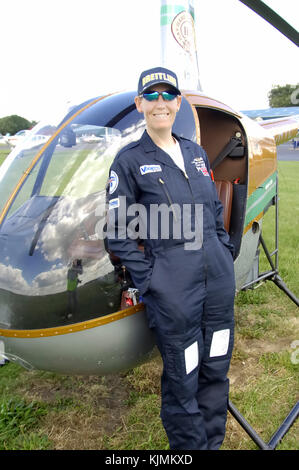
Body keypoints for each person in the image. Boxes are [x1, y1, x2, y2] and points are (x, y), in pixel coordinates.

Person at [106, 66, 235, 450]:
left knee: (216, 366)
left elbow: (213, 212)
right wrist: (154, 278)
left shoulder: (196, 154)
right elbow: (118, 231)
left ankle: (212, 443)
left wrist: (224, 254)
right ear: (139, 104)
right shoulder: (129, 161)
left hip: (217, 280)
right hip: (174, 286)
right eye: (152, 96)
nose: (160, 103)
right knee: (185, 374)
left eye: (167, 96)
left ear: (178, 103)